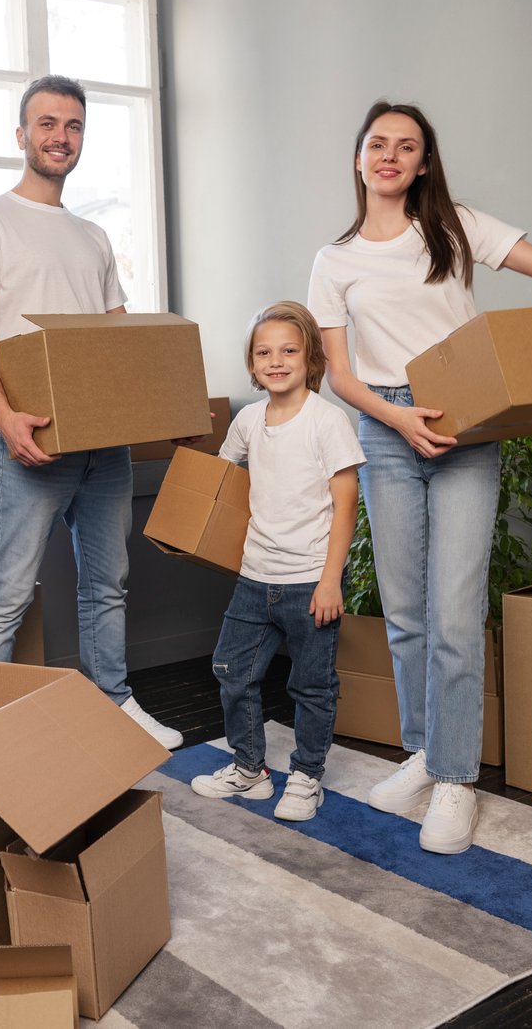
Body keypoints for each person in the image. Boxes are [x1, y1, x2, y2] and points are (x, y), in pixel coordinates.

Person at [308, 100, 532, 853]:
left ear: (422, 163)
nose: (390, 155)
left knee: (453, 609)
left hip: (467, 423)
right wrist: (398, 417)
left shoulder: (456, 225)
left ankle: (455, 779)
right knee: (406, 610)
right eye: (378, 143)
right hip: (385, 428)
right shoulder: (334, 260)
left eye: (407, 147)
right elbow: (339, 377)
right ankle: (423, 752)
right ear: (358, 158)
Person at [0, 75, 182, 749]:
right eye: (47, 124)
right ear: (22, 136)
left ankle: (113, 701)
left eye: (73, 125)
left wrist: (156, 408)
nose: (61, 136)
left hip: (103, 446)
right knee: (7, 596)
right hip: (30, 441)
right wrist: (5, 418)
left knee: (106, 584)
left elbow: (117, 339)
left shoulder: (93, 236)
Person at [191, 302, 363, 822]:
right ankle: (250, 768)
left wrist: (331, 581)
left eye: (289, 350)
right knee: (232, 670)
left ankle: (308, 775)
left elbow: (347, 502)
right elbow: (219, 479)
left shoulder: (327, 420)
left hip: (310, 580)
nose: (276, 360)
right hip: (253, 576)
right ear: (251, 362)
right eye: (264, 352)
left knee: (310, 685)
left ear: (310, 357)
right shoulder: (248, 420)